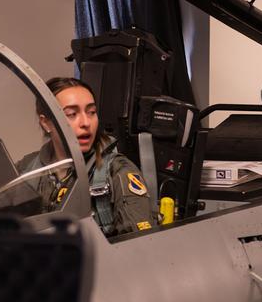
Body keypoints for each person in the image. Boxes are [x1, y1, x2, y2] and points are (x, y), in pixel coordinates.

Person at [17, 77, 157, 236]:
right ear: (46, 123)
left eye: (91, 112)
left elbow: (139, 248)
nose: (85, 122)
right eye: (71, 114)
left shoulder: (118, 172)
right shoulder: (25, 171)